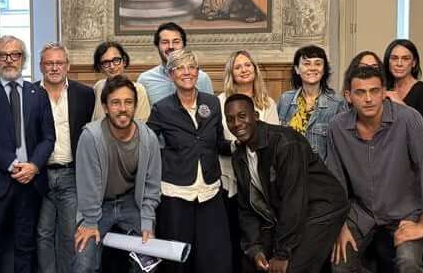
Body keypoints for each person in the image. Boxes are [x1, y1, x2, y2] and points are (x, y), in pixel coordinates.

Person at [327, 65, 423, 273]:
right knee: (340, 264)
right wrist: (340, 225)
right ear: (348, 96)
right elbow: (334, 180)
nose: (368, 99)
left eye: (374, 91)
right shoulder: (337, 126)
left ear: (384, 92)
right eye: (360, 92)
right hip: (361, 212)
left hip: (405, 211)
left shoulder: (409, 119)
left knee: (408, 262)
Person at [225, 94, 348, 273]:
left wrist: (282, 254)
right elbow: (246, 208)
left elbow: (294, 200)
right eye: (230, 119)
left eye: (242, 116)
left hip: (322, 207)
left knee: (290, 268)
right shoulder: (239, 156)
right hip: (285, 211)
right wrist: (255, 249)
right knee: (250, 263)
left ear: (255, 116)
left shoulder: (285, 143)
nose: (236, 124)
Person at [0, 35, 56, 272]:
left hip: (30, 184)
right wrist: (13, 164)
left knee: (25, 248)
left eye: (15, 55)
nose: (9, 60)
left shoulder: (38, 93)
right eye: (2, 55)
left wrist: (34, 166)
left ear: (23, 59)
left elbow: (49, 137)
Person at [147, 49, 232, 273]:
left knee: (214, 258)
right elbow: (147, 145)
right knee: (178, 260)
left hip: (210, 191)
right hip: (176, 193)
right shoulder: (161, 108)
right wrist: (165, 161)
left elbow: (219, 142)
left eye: (191, 67)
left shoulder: (212, 103)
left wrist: (237, 145)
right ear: (170, 75)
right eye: (180, 68)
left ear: (198, 72)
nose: (187, 72)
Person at [74, 75, 162, 273]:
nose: (123, 108)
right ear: (105, 107)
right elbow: (88, 187)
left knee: (147, 265)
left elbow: (152, 186)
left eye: (128, 102)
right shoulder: (91, 136)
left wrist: (147, 222)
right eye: (115, 103)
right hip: (98, 205)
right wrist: (90, 222)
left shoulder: (148, 138)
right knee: (84, 262)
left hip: (132, 203)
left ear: (135, 106)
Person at [36, 43, 96, 273]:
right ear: (41, 66)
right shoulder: (30, 93)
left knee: (69, 233)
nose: (54, 68)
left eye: (59, 63)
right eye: (49, 63)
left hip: (71, 173)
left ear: (68, 66)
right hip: (40, 175)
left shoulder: (85, 94)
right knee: (43, 233)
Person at [217, 50, 278, 269]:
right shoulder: (220, 101)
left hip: (261, 183)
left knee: (260, 239)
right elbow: (216, 141)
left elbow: (274, 139)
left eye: (248, 65)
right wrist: (236, 145)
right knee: (234, 239)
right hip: (231, 183)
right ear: (231, 73)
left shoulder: (267, 102)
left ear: (254, 68)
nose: (244, 70)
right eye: (238, 67)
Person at [276, 45, 345, 160]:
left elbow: (341, 148)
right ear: (297, 69)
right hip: (288, 167)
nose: (312, 68)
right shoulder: (285, 100)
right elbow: (277, 139)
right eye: (306, 64)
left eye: (318, 64)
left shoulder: (337, 103)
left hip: (320, 169)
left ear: (324, 69)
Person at [137, 22, 214, 105]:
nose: (171, 46)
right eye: (165, 42)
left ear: (184, 45)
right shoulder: (145, 80)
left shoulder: (202, 78)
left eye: (176, 42)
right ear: (157, 46)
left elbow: (210, 109)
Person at [91, 41, 151, 121]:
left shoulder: (138, 90)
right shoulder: (98, 87)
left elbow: (142, 123)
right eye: (106, 63)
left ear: (124, 62)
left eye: (116, 60)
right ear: (100, 67)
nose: (112, 66)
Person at [384, 39, 423, 129]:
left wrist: (400, 104)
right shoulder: (384, 88)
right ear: (388, 61)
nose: (399, 64)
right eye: (394, 58)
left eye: (405, 59)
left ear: (414, 63)